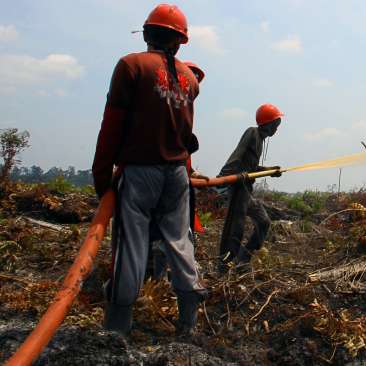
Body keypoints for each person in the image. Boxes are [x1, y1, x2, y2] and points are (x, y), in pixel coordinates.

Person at [91, 4, 206, 337]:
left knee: (130, 246)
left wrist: (102, 179)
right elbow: (185, 133)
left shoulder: (131, 66)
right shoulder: (189, 79)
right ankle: (188, 324)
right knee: (180, 242)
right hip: (176, 176)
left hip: (139, 173)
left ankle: (117, 330)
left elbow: (111, 126)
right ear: (181, 41)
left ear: (146, 34)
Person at [151, 62, 207, 281]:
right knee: (163, 234)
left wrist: (191, 173)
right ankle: (160, 283)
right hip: (158, 180)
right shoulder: (163, 111)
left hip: (177, 181)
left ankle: (165, 282)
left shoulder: (183, 116)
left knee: (173, 234)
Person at [217, 104, 283, 271]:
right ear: (268, 123)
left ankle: (243, 258)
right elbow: (237, 156)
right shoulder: (252, 133)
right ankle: (225, 266)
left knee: (264, 222)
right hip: (238, 188)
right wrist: (223, 177)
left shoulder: (260, 140)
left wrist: (270, 171)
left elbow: (251, 170)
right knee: (235, 230)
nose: (277, 128)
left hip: (247, 190)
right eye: (276, 123)